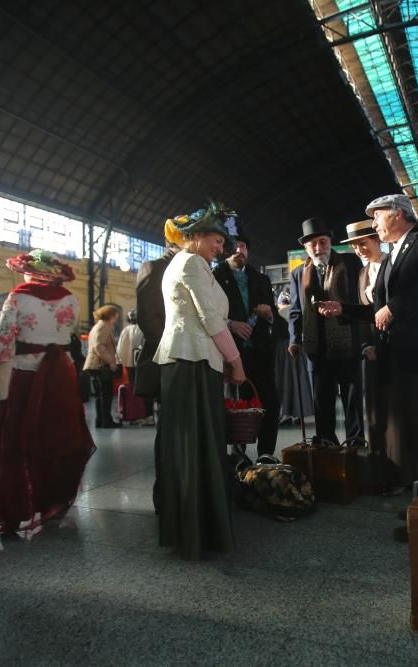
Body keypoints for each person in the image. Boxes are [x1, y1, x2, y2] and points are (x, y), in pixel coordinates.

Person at [318, 194, 418, 541]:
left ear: (398, 214)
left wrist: (394, 307)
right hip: (400, 359)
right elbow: (377, 311)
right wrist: (344, 310)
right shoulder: (394, 255)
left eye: (378, 216)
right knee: (413, 432)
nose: (375, 223)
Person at [0, 249, 96, 536]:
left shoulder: (17, 296)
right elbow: (68, 336)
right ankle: (52, 501)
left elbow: (2, 341)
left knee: (17, 442)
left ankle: (14, 512)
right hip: (61, 376)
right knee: (56, 438)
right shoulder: (70, 298)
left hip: (28, 376)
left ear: (29, 273)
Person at [154, 201, 245, 560]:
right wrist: (235, 361)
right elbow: (210, 318)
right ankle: (195, 529)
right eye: (216, 239)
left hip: (195, 360)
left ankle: (195, 526)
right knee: (195, 445)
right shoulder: (191, 262)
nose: (221, 247)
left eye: (223, 242)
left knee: (197, 444)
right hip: (189, 361)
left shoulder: (196, 264)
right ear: (193, 237)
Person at [342, 219, 408, 494]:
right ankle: (380, 470)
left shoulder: (395, 264)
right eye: (355, 246)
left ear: (376, 240)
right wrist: (365, 344)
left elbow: (402, 304)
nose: (359, 249)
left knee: (395, 416)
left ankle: (400, 474)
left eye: (364, 243)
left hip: (395, 349)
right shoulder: (362, 273)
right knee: (374, 413)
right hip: (371, 352)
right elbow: (365, 314)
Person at [287, 217, 365, 445]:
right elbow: (295, 310)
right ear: (306, 247)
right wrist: (294, 339)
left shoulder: (350, 264)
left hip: (348, 342)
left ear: (330, 241)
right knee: (322, 400)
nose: (319, 248)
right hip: (316, 347)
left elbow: (361, 301)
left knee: (352, 399)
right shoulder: (299, 273)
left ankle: (355, 443)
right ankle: (326, 443)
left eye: (323, 242)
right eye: (313, 244)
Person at [213, 235, 280, 456]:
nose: (238, 250)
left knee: (270, 404)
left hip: (261, 353)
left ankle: (266, 456)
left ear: (248, 251)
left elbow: (275, 317)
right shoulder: (214, 277)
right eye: (233, 247)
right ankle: (238, 458)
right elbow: (209, 314)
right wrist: (230, 324)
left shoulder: (261, 279)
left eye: (242, 246)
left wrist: (269, 315)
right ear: (225, 250)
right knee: (235, 406)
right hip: (231, 354)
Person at [136, 239, 180, 509]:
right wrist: (172, 352)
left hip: (189, 360)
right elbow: (149, 319)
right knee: (168, 430)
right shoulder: (154, 267)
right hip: (167, 360)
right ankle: (164, 495)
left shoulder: (193, 266)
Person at [275, 289, 314, 425]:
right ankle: (299, 414)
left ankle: (286, 413)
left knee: (285, 382)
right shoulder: (296, 313)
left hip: (285, 350)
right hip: (297, 349)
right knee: (299, 381)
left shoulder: (279, 313)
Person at [84, 305, 121, 429]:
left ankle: (101, 420)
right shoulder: (104, 326)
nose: (116, 318)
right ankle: (106, 421)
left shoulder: (98, 326)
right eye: (115, 315)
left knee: (101, 396)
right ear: (110, 315)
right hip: (101, 364)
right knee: (106, 395)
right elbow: (99, 346)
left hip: (95, 364)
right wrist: (111, 361)